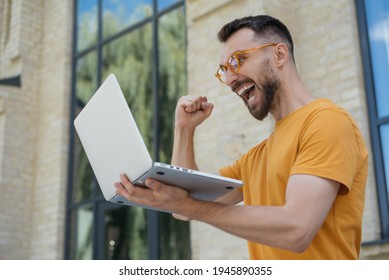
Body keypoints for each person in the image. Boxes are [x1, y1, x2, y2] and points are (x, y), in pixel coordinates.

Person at [115, 15, 368, 260]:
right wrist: (184, 130)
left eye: (238, 60)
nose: (230, 79)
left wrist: (189, 207)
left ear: (279, 55)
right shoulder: (255, 159)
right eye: (224, 70)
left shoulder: (327, 122)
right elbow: (184, 206)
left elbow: (297, 230)